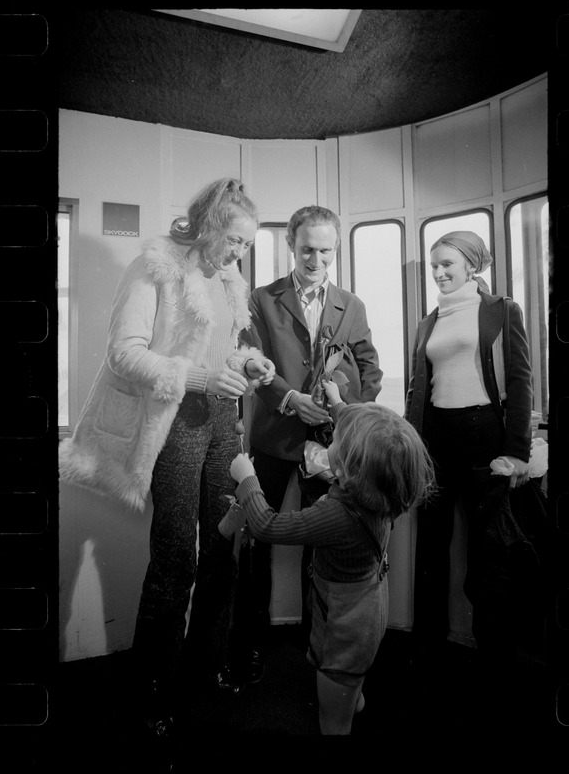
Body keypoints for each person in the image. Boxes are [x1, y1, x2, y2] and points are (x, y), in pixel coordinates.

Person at [58, 178, 276, 736]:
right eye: (234, 240)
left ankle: (207, 667)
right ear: (206, 225)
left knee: (225, 546)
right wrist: (203, 376)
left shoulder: (229, 278)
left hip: (223, 422)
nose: (240, 254)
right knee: (177, 556)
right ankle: (152, 689)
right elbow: (124, 354)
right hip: (174, 422)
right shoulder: (155, 266)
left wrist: (249, 362)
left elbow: (220, 350)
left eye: (247, 245)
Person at [227, 379, 435, 734]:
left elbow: (267, 525)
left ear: (349, 467)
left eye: (336, 440)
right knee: (351, 689)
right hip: (366, 613)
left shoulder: (337, 515)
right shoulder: (382, 490)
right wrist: (338, 403)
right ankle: (351, 697)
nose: (332, 438)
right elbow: (357, 432)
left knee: (334, 718)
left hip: (345, 625)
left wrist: (247, 479)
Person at [233, 205, 382, 685]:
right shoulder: (260, 298)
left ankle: (316, 650)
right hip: (274, 438)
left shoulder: (350, 304)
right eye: (306, 250)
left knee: (320, 547)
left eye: (325, 251)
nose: (315, 259)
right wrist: (291, 398)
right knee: (255, 541)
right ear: (289, 246)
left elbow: (370, 369)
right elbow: (248, 360)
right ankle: (247, 648)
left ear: (335, 249)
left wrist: (344, 411)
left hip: (328, 446)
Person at [404, 229, 533, 705]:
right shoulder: (428, 321)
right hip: (436, 440)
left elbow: (520, 380)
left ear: (472, 266)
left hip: (485, 438)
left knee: (488, 560)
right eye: (434, 265)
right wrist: (412, 447)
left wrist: (517, 451)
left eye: (447, 265)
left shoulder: (501, 310)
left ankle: (495, 665)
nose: (438, 272)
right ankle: (426, 654)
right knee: (431, 554)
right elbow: (421, 389)